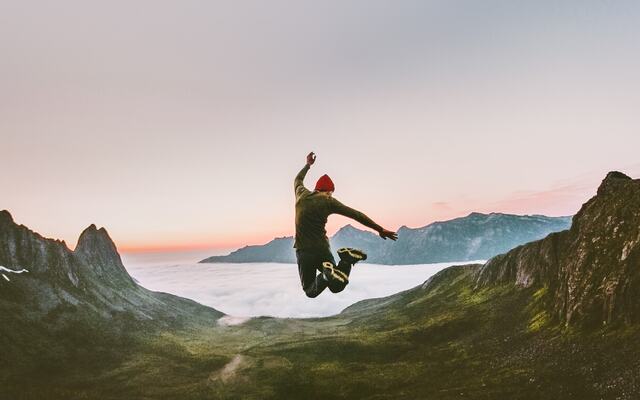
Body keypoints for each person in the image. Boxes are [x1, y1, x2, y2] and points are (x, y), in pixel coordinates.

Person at [294, 152, 398, 298]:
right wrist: (379, 229)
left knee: (310, 291)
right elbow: (356, 214)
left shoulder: (301, 194)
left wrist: (308, 165)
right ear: (329, 192)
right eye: (331, 193)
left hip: (304, 250)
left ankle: (326, 274)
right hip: (321, 248)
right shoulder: (329, 201)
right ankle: (346, 259)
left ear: (316, 188)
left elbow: (298, 179)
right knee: (337, 286)